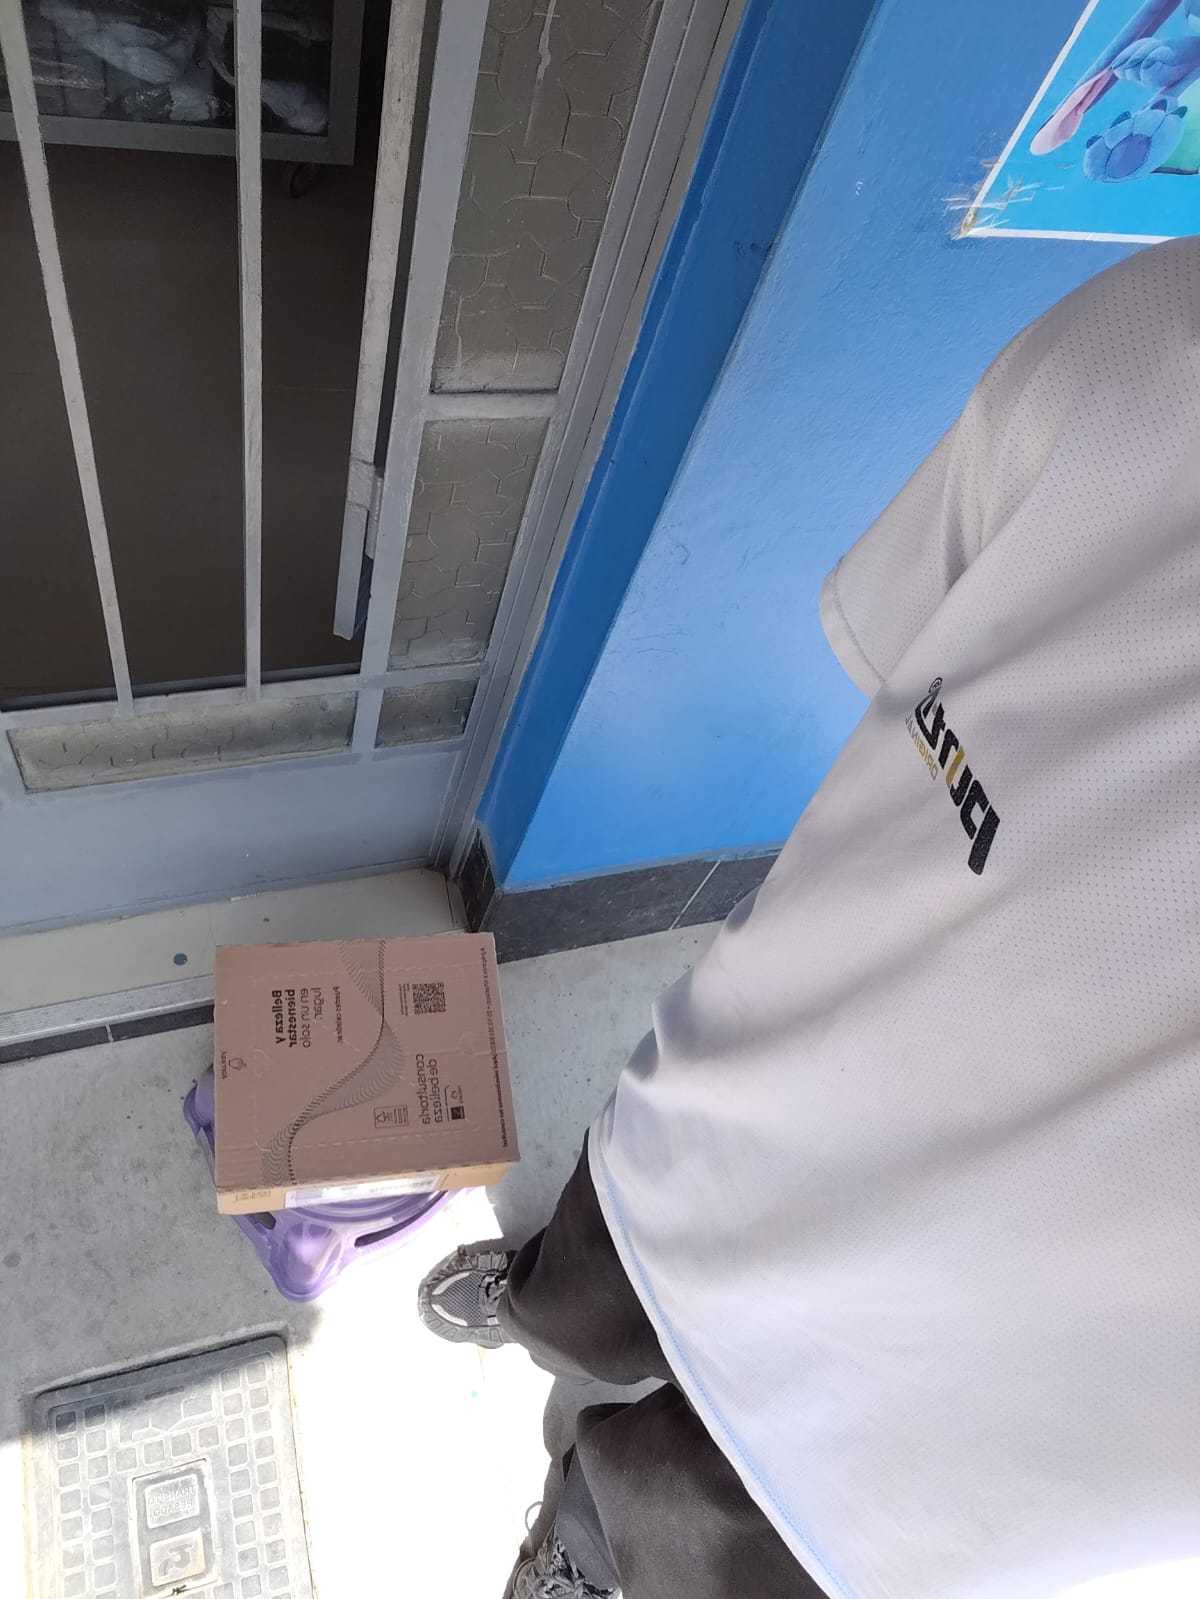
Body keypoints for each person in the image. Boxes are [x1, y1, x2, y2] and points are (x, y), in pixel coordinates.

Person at [419, 238, 1200, 1599]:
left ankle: (582, 1553)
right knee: (615, 1248)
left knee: (709, 1528)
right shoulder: (1167, 335)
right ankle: (551, 1306)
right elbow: (918, 647)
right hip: (772, 1079)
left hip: (1012, 1390)